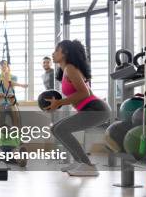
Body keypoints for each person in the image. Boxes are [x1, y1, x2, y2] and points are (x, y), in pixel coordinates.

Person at [45, 39, 111, 177]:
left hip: (97, 110)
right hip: (92, 109)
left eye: (57, 50)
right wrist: (59, 102)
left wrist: (59, 103)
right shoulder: (65, 70)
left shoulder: (70, 68)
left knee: (61, 129)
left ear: (65, 53)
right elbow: (81, 93)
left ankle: (87, 165)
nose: (53, 53)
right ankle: (79, 162)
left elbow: (84, 93)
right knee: (55, 128)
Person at [0, 60, 27, 128]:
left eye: (5, 64)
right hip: (1, 103)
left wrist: (8, 74)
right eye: (1, 65)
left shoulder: (14, 77)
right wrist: (21, 85)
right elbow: (5, 81)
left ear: (8, 66)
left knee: (16, 122)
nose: (3, 66)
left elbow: (9, 84)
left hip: (11, 102)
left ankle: (16, 137)